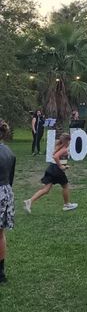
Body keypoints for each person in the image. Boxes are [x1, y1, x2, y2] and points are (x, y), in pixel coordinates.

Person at [24, 134, 78, 213]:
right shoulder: (64, 149)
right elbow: (56, 156)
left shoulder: (58, 146)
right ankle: (67, 205)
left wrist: (64, 165)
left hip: (51, 168)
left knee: (46, 189)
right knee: (65, 186)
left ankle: (30, 201)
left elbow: (57, 157)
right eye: (70, 141)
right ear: (67, 141)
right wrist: (61, 166)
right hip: (57, 170)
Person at [0, 119, 16, 284]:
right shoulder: (9, 152)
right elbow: (10, 179)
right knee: (0, 234)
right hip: (5, 193)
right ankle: (1, 274)